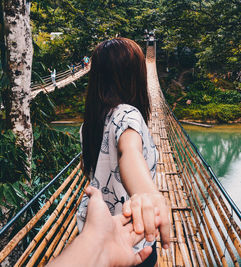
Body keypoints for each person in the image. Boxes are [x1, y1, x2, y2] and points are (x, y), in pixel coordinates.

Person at [76, 38, 170, 267]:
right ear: (134, 76)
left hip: (93, 237)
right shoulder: (128, 114)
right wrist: (146, 193)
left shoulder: (88, 124)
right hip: (130, 238)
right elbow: (129, 151)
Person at [47, 186, 157, 267]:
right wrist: (149, 193)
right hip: (139, 230)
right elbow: (128, 154)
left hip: (127, 232)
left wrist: (95, 245)